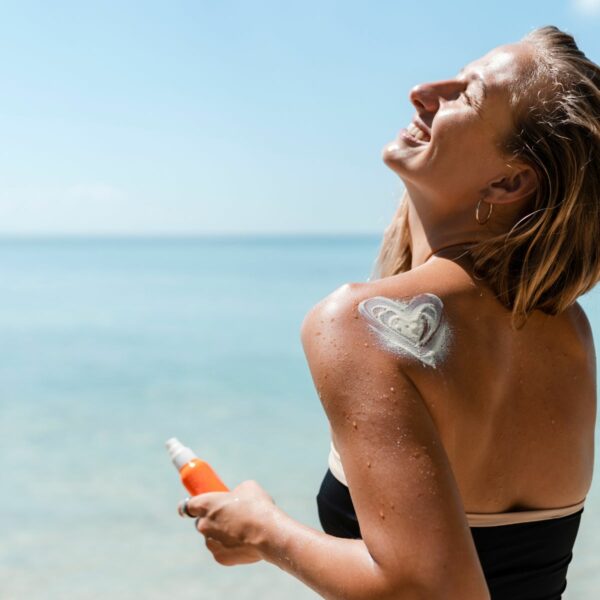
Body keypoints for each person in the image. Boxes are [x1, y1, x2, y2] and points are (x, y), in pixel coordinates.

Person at [178, 25, 599, 600]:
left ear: (509, 181)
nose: (422, 92)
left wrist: (263, 530)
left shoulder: (358, 321)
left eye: (467, 94)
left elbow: (426, 589)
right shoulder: (570, 330)